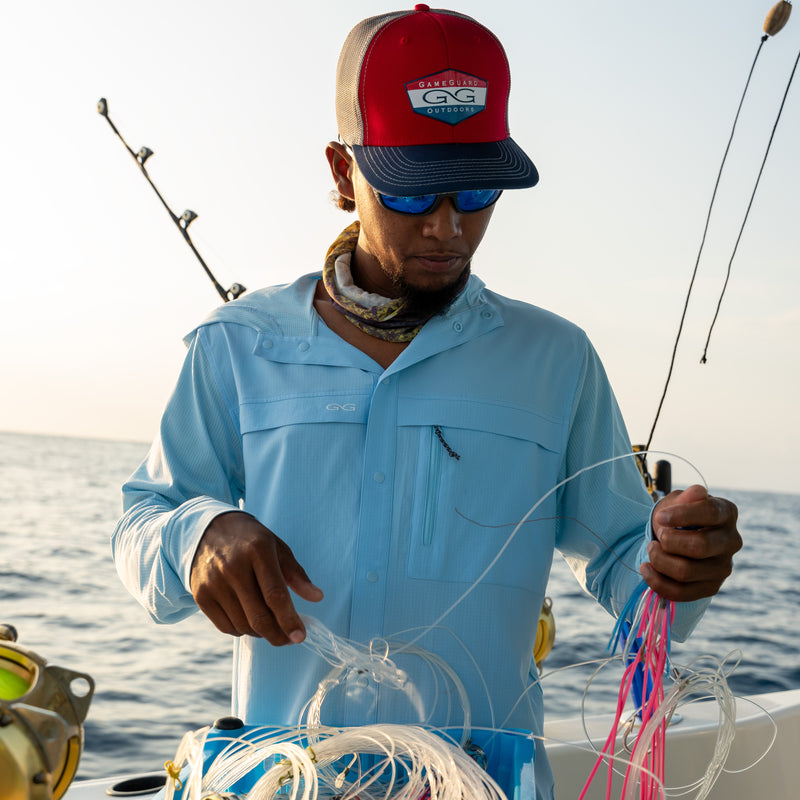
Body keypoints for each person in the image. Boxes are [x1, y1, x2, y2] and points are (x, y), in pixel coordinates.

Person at [112, 6, 741, 799]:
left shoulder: (557, 359)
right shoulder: (237, 345)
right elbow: (140, 521)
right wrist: (195, 533)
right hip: (287, 779)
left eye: (477, 190)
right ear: (345, 174)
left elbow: (630, 578)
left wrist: (682, 566)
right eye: (412, 194)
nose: (448, 228)